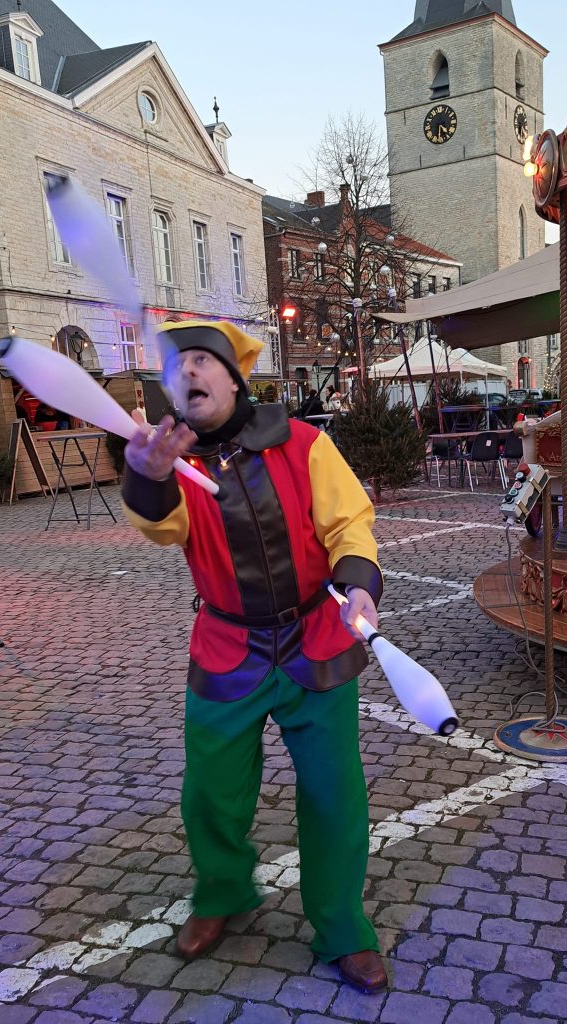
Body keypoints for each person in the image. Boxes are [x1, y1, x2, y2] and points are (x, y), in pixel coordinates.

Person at [120, 321, 388, 993]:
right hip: (228, 645)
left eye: (203, 361)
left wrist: (358, 583)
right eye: (176, 366)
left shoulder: (303, 443)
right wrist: (146, 476)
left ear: (235, 378)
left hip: (315, 640)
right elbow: (162, 527)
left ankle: (341, 925)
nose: (188, 372)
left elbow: (348, 522)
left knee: (333, 795)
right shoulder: (174, 466)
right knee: (210, 792)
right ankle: (224, 892)